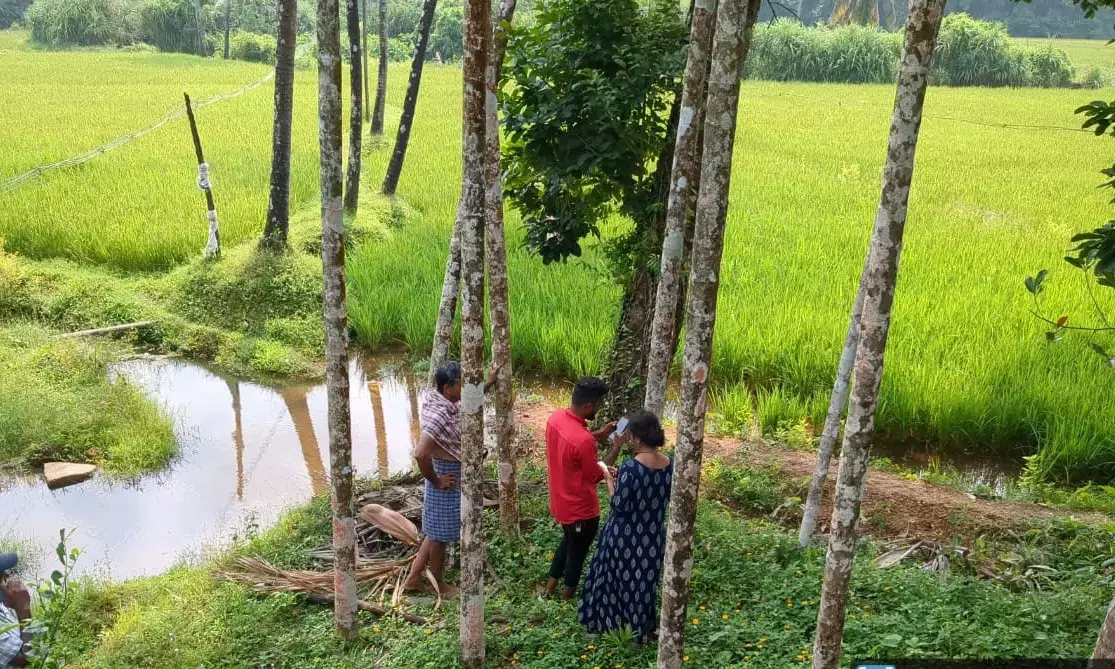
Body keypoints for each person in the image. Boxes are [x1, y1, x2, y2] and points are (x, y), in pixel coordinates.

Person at [402, 361, 497, 598]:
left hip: (446, 471)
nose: (465, 387)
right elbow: (421, 453)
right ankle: (440, 586)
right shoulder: (441, 412)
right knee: (441, 538)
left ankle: (413, 579)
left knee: (435, 530)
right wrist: (437, 481)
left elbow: (467, 401)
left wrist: (490, 381)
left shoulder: (441, 399)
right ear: (448, 387)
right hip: (446, 475)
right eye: (461, 384)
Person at [579, 412, 672, 642]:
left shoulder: (632, 467)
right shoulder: (670, 463)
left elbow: (619, 506)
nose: (628, 440)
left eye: (630, 437)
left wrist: (610, 480)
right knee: (642, 583)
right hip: (652, 536)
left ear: (638, 439)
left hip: (625, 535)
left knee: (611, 578)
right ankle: (641, 625)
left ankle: (607, 624)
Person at [543, 377, 619, 600]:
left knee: (568, 542)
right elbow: (596, 475)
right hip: (581, 510)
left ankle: (549, 588)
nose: (599, 408)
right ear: (588, 405)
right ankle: (566, 600)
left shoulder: (555, 418)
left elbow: (572, 444)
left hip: (561, 503)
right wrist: (615, 447)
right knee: (577, 554)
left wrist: (599, 435)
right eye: (598, 405)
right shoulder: (584, 441)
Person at [0, 553, 31, 668]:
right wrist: (24, 609)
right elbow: (29, 658)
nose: (9, 575)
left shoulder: (3, 605)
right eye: (3, 575)